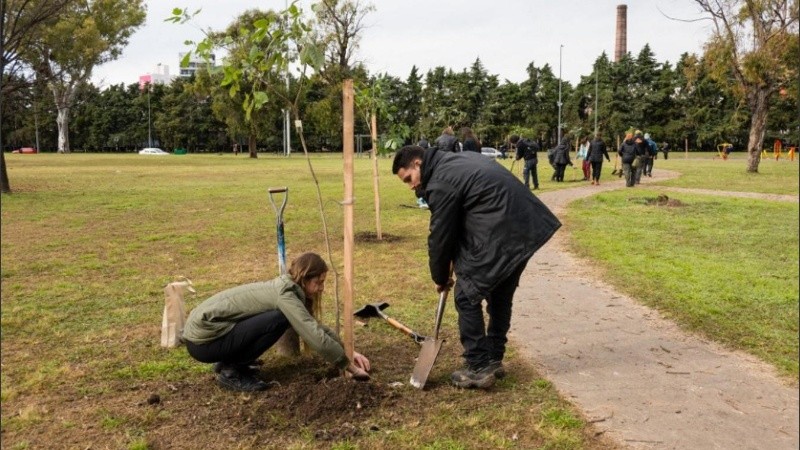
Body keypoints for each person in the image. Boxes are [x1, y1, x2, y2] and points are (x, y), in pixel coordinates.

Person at [392, 146, 561, 389]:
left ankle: (479, 366)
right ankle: (493, 357)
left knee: (466, 295)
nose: (410, 185)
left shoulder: (441, 181)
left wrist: (440, 276)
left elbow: (441, 236)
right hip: (524, 228)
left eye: (409, 178)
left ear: (418, 164)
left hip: (504, 231)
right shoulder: (454, 161)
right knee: (500, 294)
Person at [183, 252, 371, 391]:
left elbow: (314, 326)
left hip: (206, 335)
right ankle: (231, 372)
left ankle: (232, 362)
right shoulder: (286, 296)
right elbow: (313, 334)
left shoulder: (286, 288)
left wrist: (349, 350)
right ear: (304, 279)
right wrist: (350, 367)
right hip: (203, 342)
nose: (322, 288)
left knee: (277, 318)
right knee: (279, 318)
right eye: (318, 282)